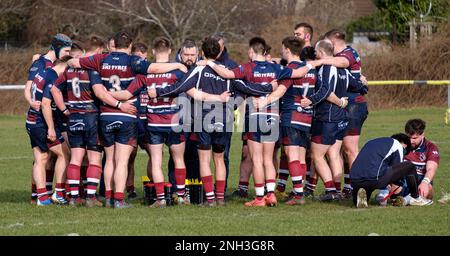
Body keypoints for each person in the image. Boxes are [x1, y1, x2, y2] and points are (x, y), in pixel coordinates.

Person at [149, 37, 276, 206]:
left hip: (204, 118)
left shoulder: (199, 69)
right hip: (225, 119)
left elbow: (180, 87)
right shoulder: (229, 71)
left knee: (204, 160)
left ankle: (210, 199)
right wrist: (268, 88)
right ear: (219, 52)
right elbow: (246, 88)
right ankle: (220, 198)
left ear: (202, 53)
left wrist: (158, 92)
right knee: (220, 159)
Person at [67, 31, 187, 208]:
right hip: (126, 113)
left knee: (109, 159)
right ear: (130, 46)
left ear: (113, 43)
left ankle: (107, 197)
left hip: (105, 115)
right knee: (122, 161)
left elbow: (73, 62)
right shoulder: (132, 61)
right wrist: (177, 65)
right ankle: (118, 199)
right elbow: (154, 68)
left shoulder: (100, 59)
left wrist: (77, 61)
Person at [200, 37, 315, 207]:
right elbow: (299, 73)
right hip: (274, 115)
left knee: (257, 159)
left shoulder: (248, 67)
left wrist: (209, 63)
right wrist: (312, 65)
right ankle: (271, 195)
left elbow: (226, 74)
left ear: (252, 51)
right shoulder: (277, 67)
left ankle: (260, 198)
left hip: (255, 115)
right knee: (269, 159)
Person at [300, 40, 367, 202]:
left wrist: (311, 100)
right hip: (341, 117)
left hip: (327, 117)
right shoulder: (343, 69)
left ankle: (331, 190)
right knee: (334, 153)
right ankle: (337, 190)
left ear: (321, 53)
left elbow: (326, 91)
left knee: (317, 155)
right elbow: (359, 85)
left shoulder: (325, 68)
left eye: (316, 52)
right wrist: (363, 84)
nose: (315, 55)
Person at [25, 33, 72, 203]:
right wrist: (52, 128)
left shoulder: (43, 70)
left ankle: (41, 196)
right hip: (40, 122)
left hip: (32, 120)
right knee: (64, 154)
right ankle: (58, 194)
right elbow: (45, 103)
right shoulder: (52, 75)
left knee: (41, 157)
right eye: (66, 50)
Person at [350, 134, 433, 208]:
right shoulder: (397, 145)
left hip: (355, 181)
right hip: (375, 179)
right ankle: (416, 198)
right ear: (404, 145)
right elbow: (398, 173)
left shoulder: (371, 142)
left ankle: (361, 199)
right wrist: (395, 191)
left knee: (369, 183)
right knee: (409, 166)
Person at [377, 119, 440, 204]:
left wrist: (425, 182)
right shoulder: (401, 145)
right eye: (409, 137)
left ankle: (405, 200)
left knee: (428, 189)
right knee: (388, 174)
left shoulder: (430, 148)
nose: (411, 141)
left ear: (422, 135)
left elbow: (431, 169)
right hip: (401, 185)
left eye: (414, 138)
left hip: (419, 186)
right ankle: (382, 195)